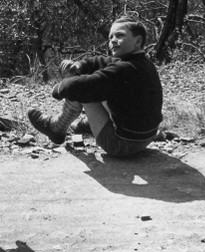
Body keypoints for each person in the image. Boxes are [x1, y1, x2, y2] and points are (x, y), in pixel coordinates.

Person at [26, 17, 163, 158]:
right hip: (147, 137)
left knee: (85, 88)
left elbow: (76, 86)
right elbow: (103, 61)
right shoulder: (143, 64)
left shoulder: (122, 69)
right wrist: (80, 65)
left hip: (121, 145)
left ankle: (56, 128)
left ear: (138, 41)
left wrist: (59, 88)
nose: (113, 40)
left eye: (120, 35)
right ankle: (87, 125)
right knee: (101, 84)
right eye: (111, 37)